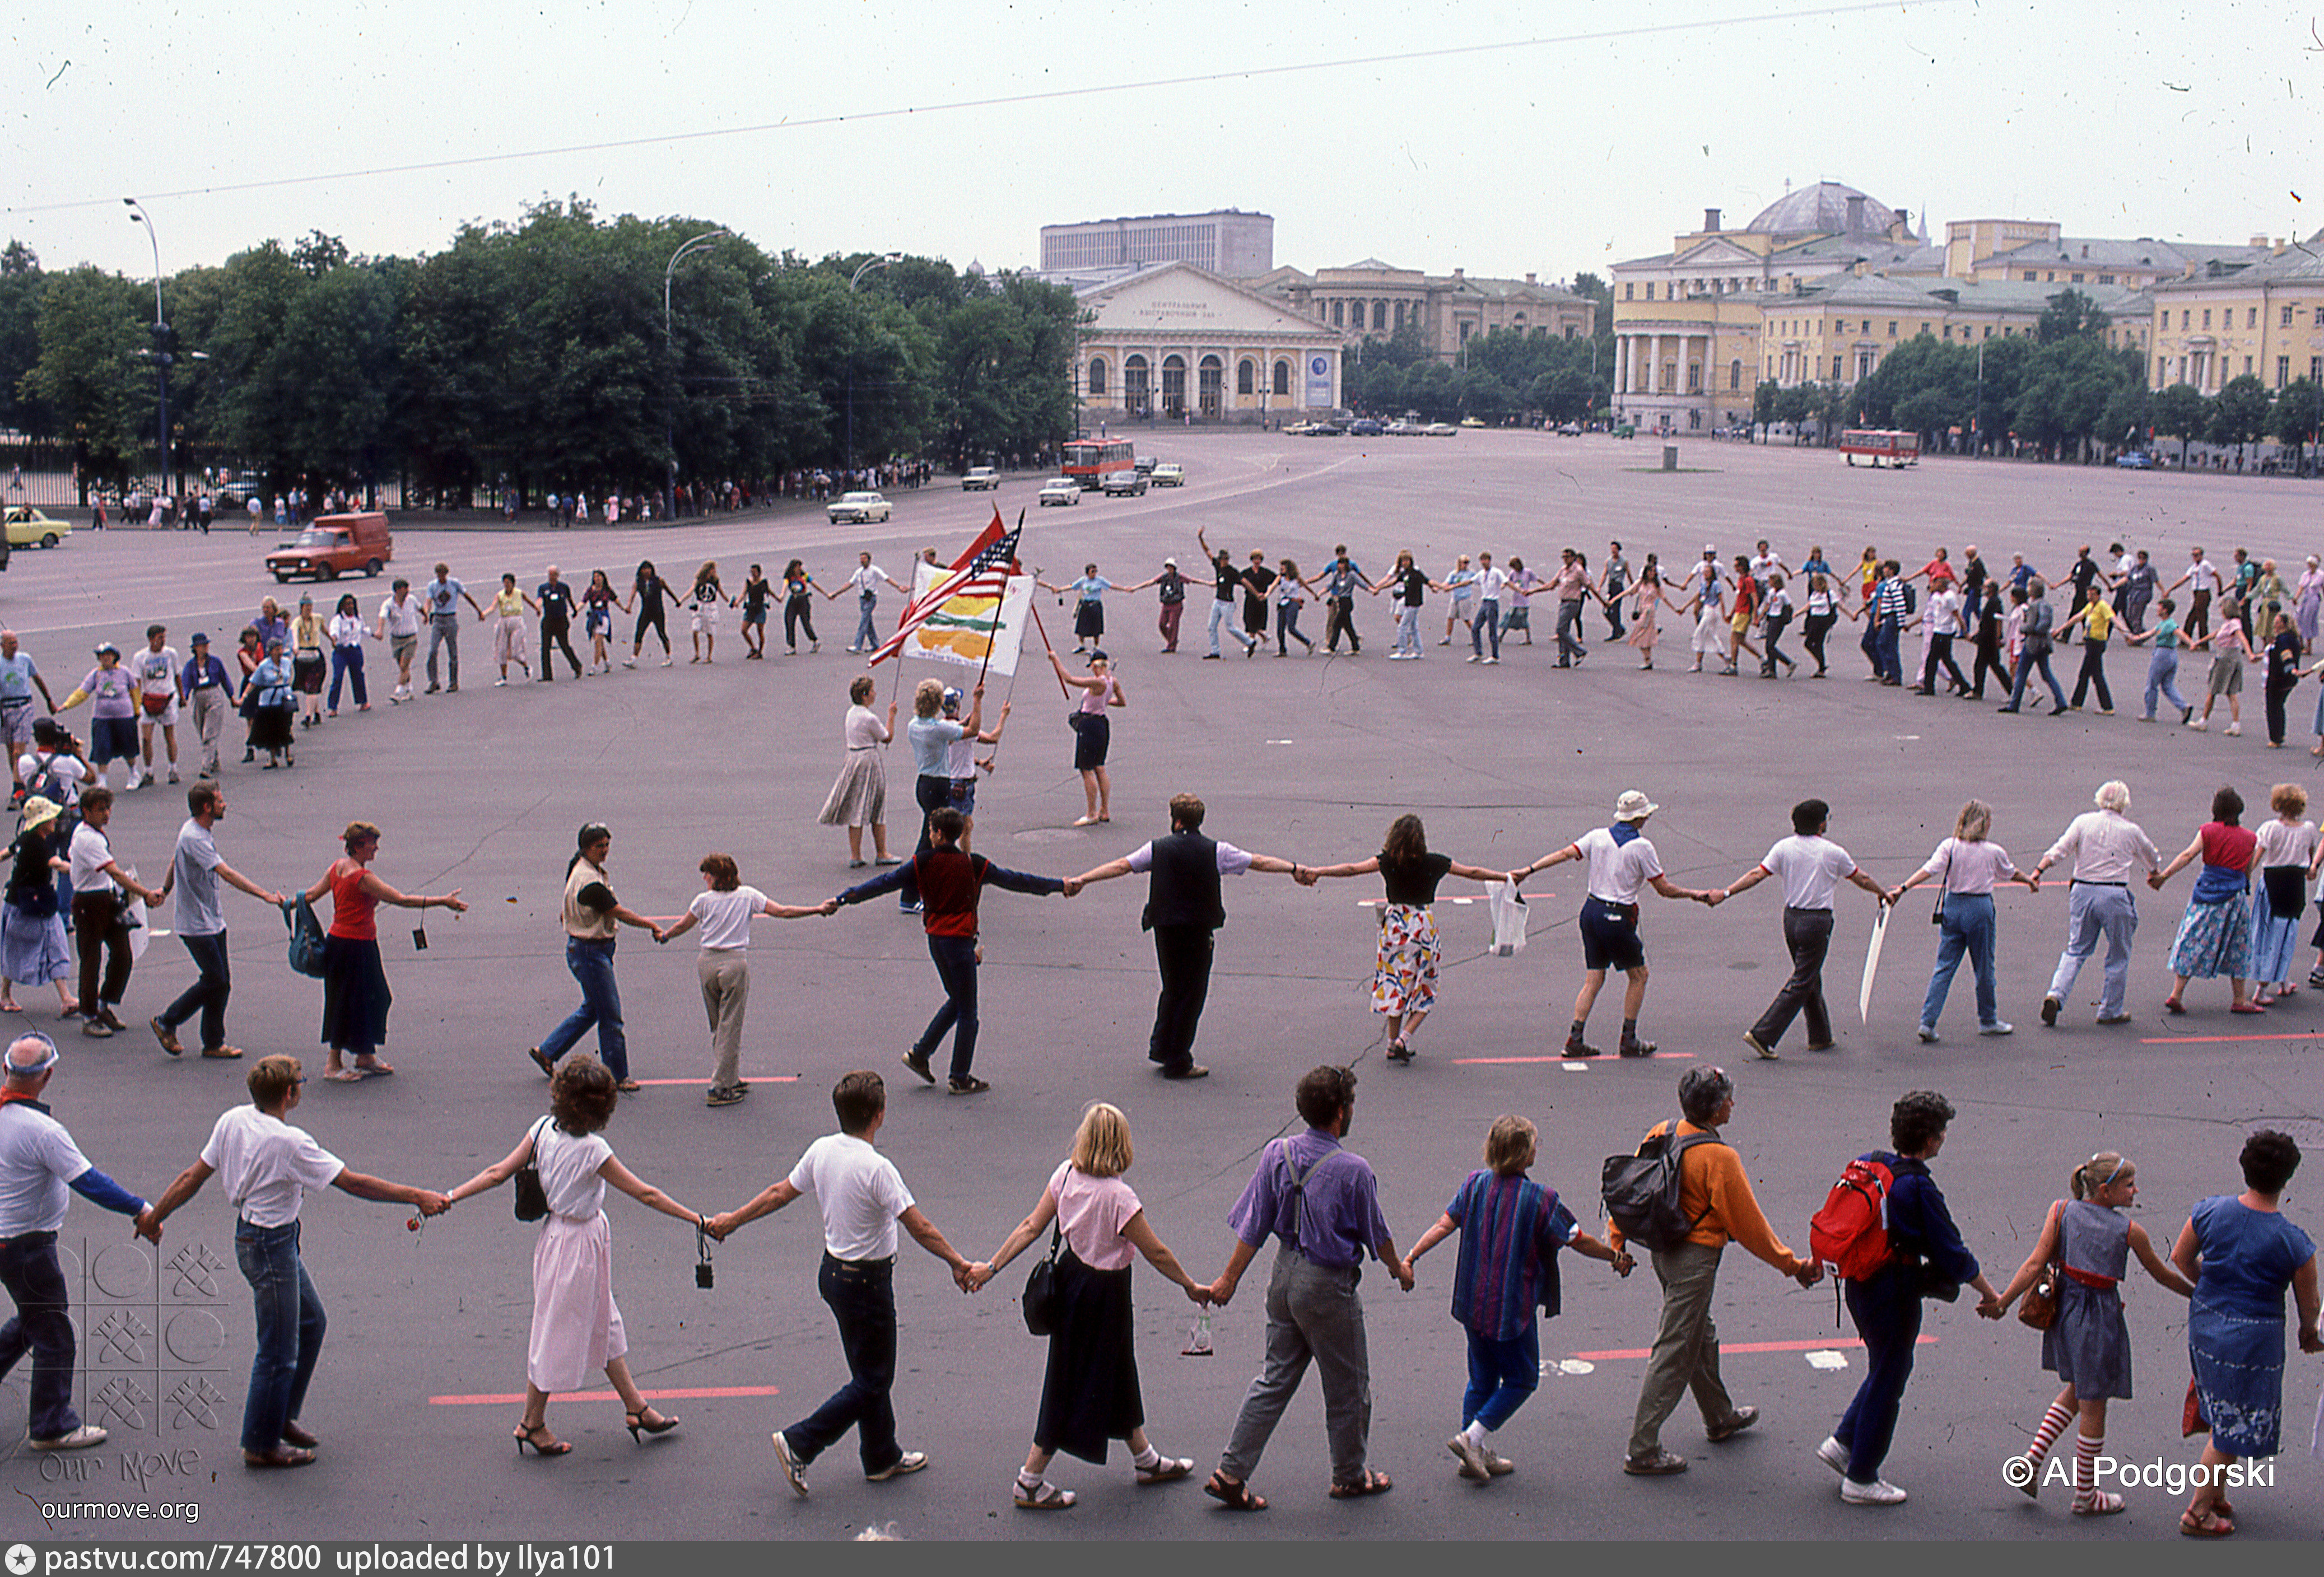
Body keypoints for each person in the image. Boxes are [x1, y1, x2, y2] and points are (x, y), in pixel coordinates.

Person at [145, 1055, 450, 1468]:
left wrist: (155, 1216)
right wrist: (416, 1195)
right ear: (289, 1094)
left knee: (310, 1323)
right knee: (277, 1349)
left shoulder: (233, 1120)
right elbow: (353, 1182)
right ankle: (260, 1442)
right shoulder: (290, 1143)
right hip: (271, 1246)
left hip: (259, 1239)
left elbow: (192, 1177)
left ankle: (281, 1414)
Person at [707, 1070, 979, 1496]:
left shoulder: (822, 1151)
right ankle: (801, 1442)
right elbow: (920, 1227)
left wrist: (732, 1221)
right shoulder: (877, 1169)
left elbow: (779, 1193)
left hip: (833, 1276)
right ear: (879, 1116)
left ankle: (881, 1456)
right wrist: (957, 1262)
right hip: (868, 1284)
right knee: (874, 1379)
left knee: (867, 1371)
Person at [444, 1057, 707, 1454]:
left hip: (560, 1237)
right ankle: (531, 1423)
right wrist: (697, 1219)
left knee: (603, 1321)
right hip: (580, 1243)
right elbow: (645, 1193)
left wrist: (449, 1196)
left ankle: (636, 1407)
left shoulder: (542, 1129)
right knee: (557, 1331)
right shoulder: (593, 1150)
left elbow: (498, 1172)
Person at [966, 1102, 1209, 1509]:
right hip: (1105, 1293)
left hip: (1071, 1280)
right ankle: (1029, 1479)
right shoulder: (1119, 1197)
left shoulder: (1064, 1175)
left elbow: (1031, 1226)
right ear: (1121, 1145)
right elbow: (1157, 1252)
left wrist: (991, 1267)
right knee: (1073, 1379)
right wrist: (1189, 1285)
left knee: (1115, 1369)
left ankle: (1146, 1459)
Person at [1202, 1065, 1409, 1509]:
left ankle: (1230, 1472)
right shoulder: (1353, 1170)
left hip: (1284, 1274)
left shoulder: (1276, 1154)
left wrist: (1227, 1280)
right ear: (1339, 1112)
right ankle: (1350, 1475)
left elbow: (1253, 1226)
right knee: (1348, 1388)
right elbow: (1378, 1235)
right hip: (1325, 1286)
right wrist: (1399, 1270)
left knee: (1274, 1378)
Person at [1609, 1066, 1821, 1476]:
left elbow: (1632, 1188)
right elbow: (1749, 1226)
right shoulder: (1719, 1157)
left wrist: (1617, 1241)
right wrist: (1792, 1266)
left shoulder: (1662, 1131)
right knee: (1675, 1347)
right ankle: (1642, 1448)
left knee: (1698, 1335)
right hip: (1695, 1260)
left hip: (1663, 1252)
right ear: (1713, 1107)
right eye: (1727, 1099)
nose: (1732, 1104)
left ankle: (1719, 1417)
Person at [1404, 1114, 1631, 1483]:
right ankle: (1471, 1438)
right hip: (1511, 1309)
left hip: (1471, 1303)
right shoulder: (1541, 1199)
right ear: (1524, 1154)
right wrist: (1614, 1257)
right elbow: (1577, 1240)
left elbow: (1444, 1225)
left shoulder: (1474, 1185)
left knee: (1481, 1379)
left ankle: (1472, 1455)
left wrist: (1412, 1257)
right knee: (1522, 1378)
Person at [1814, 1093, 2003, 1505]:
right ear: (1932, 1139)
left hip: (1858, 1283)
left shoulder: (1873, 1162)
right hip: (1893, 1290)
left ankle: (1844, 1441)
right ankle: (1861, 1477)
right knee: (1891, 1375)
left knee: (1882, 1366)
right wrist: (1991, 1295)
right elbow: (1952, 1253)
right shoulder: (1918, 1187)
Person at [1994, 1151, 2195, 1516]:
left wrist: (2003, 1301)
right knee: (2094, 1403)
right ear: (2105, 1191)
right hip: (2098, 1319)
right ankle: (2085, 1494)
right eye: (2129, 1185)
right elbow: (2161, 1274)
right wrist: (2196, 1294)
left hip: (2065, 1313)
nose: (2136, 1191)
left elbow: (2035, 1262)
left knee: (2078, 1390)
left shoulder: (2060, 1212)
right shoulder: (2129, 1231)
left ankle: (2031, 1460)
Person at [831, 807, 1072, 1096]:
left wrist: (846, 897)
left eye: (931, 831)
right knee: (968, 1010)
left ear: (938, 834)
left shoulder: (922, 863)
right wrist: (1059, 886)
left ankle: (921, 1053)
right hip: (960, 942)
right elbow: (1018, 881)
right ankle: (959, 1076)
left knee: (958, 1001)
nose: (929, 835)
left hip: (936, 940)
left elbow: (884, 884)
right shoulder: (974, 864)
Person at [0, 1032, 159, 1453]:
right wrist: (141, 1209)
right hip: (26, 1245)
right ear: (48, 1075)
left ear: (6, 1070)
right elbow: (89, 1181)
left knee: (32, 1321)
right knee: (53, 1331)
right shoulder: (43, 1131)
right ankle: (51, 1425)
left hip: (7, 1242)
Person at [1071, 793, 1301, 1081]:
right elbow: (1260, 862)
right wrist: (1294, 869)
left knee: (1172, 986)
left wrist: (1083, 879)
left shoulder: (1158, 848)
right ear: (1199, 821)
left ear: (1176, 819)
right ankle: (1179, 1060)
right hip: (1198, 929)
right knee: (1193, 992)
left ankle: (1162, 1047)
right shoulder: (1216, 850)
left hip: (1165, 927)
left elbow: (1121, 866)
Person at [2171, 1130, 2321, 1538]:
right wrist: (2308, 1334)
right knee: (2232, 1425)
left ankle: (2213, 1492)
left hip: (2205, 1326)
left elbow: (2180, 1257)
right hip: (2254, 1341)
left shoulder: (2208, 1211)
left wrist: (2209, 1288)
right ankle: (2197, 1511)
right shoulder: (2293, 1243)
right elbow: (2310, 1306)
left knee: (2220, 1408)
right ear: (2287, 1177)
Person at [1513, 789, 1720, 1059]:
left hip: (1591, 912)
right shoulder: (1642, 848)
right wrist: (1697, 895)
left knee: (1594, 978)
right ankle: (1629, 1039)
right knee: (1639, 976)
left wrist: (1528, 870)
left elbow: (1564, 854)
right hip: (1617, 917)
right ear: (1642, 817)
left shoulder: (1597, 836)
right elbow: (1664, 889)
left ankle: (1575, 1038)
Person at [1300, 814, 1507, 1060]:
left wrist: (1319, 871)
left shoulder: (1387, 862)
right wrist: (1506, 877)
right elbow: (1473, 872)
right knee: (1427, 983)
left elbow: (1352, 869)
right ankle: (1404, 1038)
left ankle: (1391, 1042)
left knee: (1395, 980)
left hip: (1395, 927)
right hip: (1422, 926)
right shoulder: (1435, 863)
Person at [651, 854, 826, 1107]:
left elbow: (682, 926)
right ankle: (720, 1086)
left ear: (717, 878)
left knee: (718, 1024)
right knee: (730, 1024)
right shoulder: (747, 896)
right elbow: (783, 911)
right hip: (734, 963)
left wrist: (665, 936)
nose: (704, 879)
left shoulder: (703, 901)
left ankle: (729, 1076)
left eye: (707, 874)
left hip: (707, 962)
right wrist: (817, 909)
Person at [1719, 797, 1887, 1059]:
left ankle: (1820, 1036)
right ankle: (1764, 1034)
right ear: (1821, 825)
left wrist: (1727, 892)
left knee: (1808, 974)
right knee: (1803, 979)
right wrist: (1881, 892)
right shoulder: (1832, 852)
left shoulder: (1784, 848)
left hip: (1792, 919)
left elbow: (1756, 875)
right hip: (1817, 921)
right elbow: (1861, 878)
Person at [305, 821, 466, 1081]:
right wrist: (443, 902)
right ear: (360, 846)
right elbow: (400, 899)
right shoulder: (362, 878)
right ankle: (333, 1065)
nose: (377, 848)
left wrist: (286, 903)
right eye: (373, 844)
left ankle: (365, 1054)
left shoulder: (337, 867)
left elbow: (312, 894)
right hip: (354, 946)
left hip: (349, 944)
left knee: (371, 996)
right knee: (349, 1000)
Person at [150, 783, 283, 1061]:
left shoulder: (194, 831)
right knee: (215, 979)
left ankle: (213, 1041)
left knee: (221, 982)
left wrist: (165, 889)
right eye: (221, 802)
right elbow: (227, 873)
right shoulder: (195, 838)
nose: (226, 805)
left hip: (210, 920)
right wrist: (264, 895)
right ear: (207, 808)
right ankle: (168, 1020)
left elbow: (175, 862)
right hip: (196, 924)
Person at [1886, 799, 2037, 1041]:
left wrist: (1902, 888)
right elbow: (2010, 873)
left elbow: (1929, 869)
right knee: (1984, 966)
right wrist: (2029, 880)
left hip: (1953, 907)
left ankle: (1928, 1021)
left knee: (1944, 966)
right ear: (1984, 824)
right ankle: (1988, 1019)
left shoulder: (1950, 846)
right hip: (1980, 908)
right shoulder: (1993, 851)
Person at [2028, 781, 2163, 1028]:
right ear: (2125, 804)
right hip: (2114, 893)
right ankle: (2110, 1009)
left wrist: (2039, 869)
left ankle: (2056, 994)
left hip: (2082, 890)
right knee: (2118, 953)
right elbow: (2151, 856)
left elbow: (2060, 849)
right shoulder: (2131, 830)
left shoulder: (2083, 822)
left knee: (2076, 948)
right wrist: (2154, 871)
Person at [529, 824, 653, 1093]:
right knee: (611, 1015)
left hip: (585, 949)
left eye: (607, 845)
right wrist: (651, 926)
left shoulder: (579, 868)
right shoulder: (592, 884)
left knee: (593, 1008)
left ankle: (548, 1051)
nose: (605, 851)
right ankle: (618, 1075)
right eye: (600, 847)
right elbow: (620, 913)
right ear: (587, 848)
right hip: (591, 953)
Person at [65, 787, 166, 1039]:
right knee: (91, 960)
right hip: (89, 902)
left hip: (106, 898)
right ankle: (90, 1016)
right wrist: (146, 894)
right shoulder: (88, 838)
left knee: (123, 954)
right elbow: (115, 872)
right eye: (101, 810)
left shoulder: (92, 833)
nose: (107, 814)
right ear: (86, 812)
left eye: (108, 809)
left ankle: (103, 1004)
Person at [2155, 785, 2264, 1015]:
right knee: (2240, 945)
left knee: (2194, 938)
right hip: (2233, 898)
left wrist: (2164, 876)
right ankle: (2240, 998)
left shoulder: (2208, 831)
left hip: (2207, 894)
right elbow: (2247, 871)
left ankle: (2177, 993)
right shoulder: (2250, 838)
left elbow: (2188, 855)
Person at [898, 678, 980, 913]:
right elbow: (971, 731)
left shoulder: (915, 725)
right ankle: (910, 894)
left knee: (931, 837)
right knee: (928, 841)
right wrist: (977, 702)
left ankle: (925, 888)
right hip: (939, 785)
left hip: (923, 783)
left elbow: (951, 731)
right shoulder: (938, 729)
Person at [1, 799, 76, 1018]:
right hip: (32, 905)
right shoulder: (39, 844)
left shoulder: (25, 839)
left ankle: (65, 998)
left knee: (28, 946)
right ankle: (6, 994)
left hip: (23, 902)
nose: (55, 821)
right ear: (42, 822)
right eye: (51, 818)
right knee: (45, 946)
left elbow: (7, 852)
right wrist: (84, 870)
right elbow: (57, 864)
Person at [2245, 783, 2318, 1005]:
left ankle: (2267, 984)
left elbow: (2257, 856)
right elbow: (2309, 855)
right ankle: (2278, 980)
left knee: (2267, 934)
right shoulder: (2308, 829)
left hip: (2272, 883)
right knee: (2286, 934)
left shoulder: (2270, 828)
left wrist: (2245, 876)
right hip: (2294, 885)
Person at [818, 676, 901, 869]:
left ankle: (856, 855)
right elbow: (886, 737)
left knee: (856, 806)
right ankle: (882, 852)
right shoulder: (869, 717)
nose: (875, 694)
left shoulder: (852, 713)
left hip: (853, 758)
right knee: (877, 806)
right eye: (872, 691)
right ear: (865, 695)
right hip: (868, 760)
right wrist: (891, 716)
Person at [1049, 647, 1124, 827]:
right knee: (1100, 767)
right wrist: (1105, 702)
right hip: (1102, 724)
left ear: (1097, 666)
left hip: (1089, 726)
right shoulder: (1113, 681)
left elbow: (1070, 680)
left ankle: (1091, 813)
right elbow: (1122, 701)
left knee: (1087, 769)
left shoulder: (1097, 682)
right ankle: (1104, 810)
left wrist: (1055, 659)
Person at [55, 642, 138, 791]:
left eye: (108, 655)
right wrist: (67, 705)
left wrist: (137, 710)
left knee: (128, 747)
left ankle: (133, 773)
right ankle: (102, 780)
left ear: (114, 656)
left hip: (124, 716)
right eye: (102, 656)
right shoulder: (96, 674)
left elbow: (135, 691)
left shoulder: (125, 672)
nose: (105, 658)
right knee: (102, 747)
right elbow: (82, 692)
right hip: (102, 718)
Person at [0, 631, 60, 801]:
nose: (14, 646)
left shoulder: (25, 659)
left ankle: (18, 790)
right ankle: (20, 782)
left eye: (15, 642)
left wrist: (49, 700)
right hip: (5, 708)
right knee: (11, 750)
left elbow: (37, 679)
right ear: (2, 645)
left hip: (24, 707)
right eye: (10, 643)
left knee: (18, 752)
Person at [2187, 594, 2256, 734]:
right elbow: (2215, 634)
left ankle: (2204, 721)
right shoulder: (2228, 624)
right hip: (2233, 657)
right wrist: (2199, 643)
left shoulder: (2234, 624)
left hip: (2225, 657)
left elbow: (2241, 637)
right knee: (2232, 692)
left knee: (2213, 690)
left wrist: (2249, 653)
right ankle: (2235, 725)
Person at [1996, 578, 2067, 715]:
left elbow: (2030, 626)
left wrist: (2023, 629)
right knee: (2047, 674)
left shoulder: (2033, 606)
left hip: (2032, 644)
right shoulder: (2046, 606)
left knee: (2021, 673)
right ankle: (2061, 701)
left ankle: (2014, 704)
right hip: (2044, 644)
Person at [2125, 596, 2193, 724]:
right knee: (2167, 685)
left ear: (2165, 610)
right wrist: (2135, 638)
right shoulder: (2163, 624)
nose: (2157, 609)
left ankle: (2150, 713)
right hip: (2172, 655)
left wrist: (2190, 643)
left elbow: (2179, 633)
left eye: (2160, 607)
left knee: (2152, 684)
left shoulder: (2169, 624)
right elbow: (2151, 633)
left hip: (2162, 654)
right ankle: (2184, 707)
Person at [129, 624, 183, 786]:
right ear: (151, 640)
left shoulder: (171, 654)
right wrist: (137, 704)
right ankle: (149, 771)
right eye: (160, 638)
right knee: (146, 738)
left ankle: (173, 769)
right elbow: (137, 682)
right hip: (149, 700)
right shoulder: (141, 657)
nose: (163, 641)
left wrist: (182, 696)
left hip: (168, 697)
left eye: (164, 637)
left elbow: (177, 675)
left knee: (170, 736)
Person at [422, 563, 483, 693]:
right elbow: (429, 601)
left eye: (443, 575)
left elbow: (467, 596)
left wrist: (478, 610)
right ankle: (434, 682)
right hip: (438, 620)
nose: (441, 578)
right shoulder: (433, 586)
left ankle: (453, 682)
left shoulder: (454, 584)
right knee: (433, 651)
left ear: (446, 574)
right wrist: (426, 613)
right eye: (439, 575)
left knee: (453, 652)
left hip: (450, 619)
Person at [236, 638, 296, 768]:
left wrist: (289, 689)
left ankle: (288, 754)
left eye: (281, 649)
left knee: (286, 726)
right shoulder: (264, 666)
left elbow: (290, 676)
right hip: (269, 701)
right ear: (271, 651)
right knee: (271, 729)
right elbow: (253, 682)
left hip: (284, 699)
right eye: (277, 649)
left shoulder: (286, 663)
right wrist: (244, 697)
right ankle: (272, 758)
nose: (280, 652)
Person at [1039, 563, 1116, 655]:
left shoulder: (1100, 580)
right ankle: (1082, 646)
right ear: (1088, 573)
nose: (1095, 573)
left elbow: (1111, 586)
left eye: (1096, 571)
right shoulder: (1083, 581)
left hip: (1096, 605)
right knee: (1081, 627)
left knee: (1096, 628)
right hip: (1086, 605)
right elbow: (1072, 586)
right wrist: (1060, 590)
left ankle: (1096, 647)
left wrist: (1126, 589)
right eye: (1093, 571)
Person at [1126, 556, 1195, 653]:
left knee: (1173, 625)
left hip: (1176, 604)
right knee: (1162, 624)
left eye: (1171, 567)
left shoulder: (1180, 577)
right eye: (1168, 567)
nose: (1169, 569)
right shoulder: (1164, 577)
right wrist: (1135, 588)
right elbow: (1151, 582)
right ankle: (1172, 640)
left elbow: (1192, 580)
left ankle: (1171, 646)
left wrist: (1209, 583)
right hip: (1166, 604)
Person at [842, 552, 905, 656]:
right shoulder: (859, 572)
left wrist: (899, 587)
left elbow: (887, 579)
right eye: (861, 559)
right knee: (868, 622)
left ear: (869, 560)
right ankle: (875, 644)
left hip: (871, 598)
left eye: (864, 559)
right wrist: (836, 593)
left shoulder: (875, 570)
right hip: (863, 598)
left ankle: (858, 646)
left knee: (864, 621)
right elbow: (850, 584)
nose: (862, 561)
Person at [1379, 549, 1434, 660]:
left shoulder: (1416, 573)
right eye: (1403, 561)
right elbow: (1393, 582)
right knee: (1414, 628)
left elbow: (1427, 581)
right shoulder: (1404, 574)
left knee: (1402, 627)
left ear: (1411, 561)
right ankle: (1419, 651)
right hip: (1408, 603)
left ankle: (1402, 651)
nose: (1404, 563)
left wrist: (1437, 587)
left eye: (1406, 561)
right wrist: (1379, 588)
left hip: (1414, 603)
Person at [482, 573, 535, 686]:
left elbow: (529, 601)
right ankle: (503, 677)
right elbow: (493, 607)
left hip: (516, 620)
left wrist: (537, 609)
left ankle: (526, 667)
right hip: (504, 620)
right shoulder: (500, 595)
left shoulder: (519, 593)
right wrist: (484, 614)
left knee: (516, 651)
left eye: (508, 583)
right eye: (505, 583)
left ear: (513, 584)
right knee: (501, 649)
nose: (506, 586)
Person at [374, 578, 422, 702]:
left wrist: (426, 616)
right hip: (396, 639)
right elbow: (382, 616)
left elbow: (420, 608)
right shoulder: (388, 604)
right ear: (399, 590)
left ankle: (398, 692)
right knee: (403, 667)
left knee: (404, 665)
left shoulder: (412, 600)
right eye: (406, 589)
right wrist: (380, 630)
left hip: (411, 637)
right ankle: (410, 689)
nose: (408, 591)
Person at [2262, 610, 2304, 746]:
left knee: (2273, 707)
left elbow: (2286, 655)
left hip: (2278, 679)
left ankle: (2276, 738)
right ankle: (2280, 734)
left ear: (2284, 625)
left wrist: (2291, 669)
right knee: (2279, 706)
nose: (2275, 623)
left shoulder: (2283, 640)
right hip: (2286, 680)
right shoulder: (2291, 638)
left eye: (2278, 622)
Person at [323, 595, 370, 716]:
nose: (350, 606)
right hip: (341, 651)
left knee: (358, 675)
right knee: (338, 677)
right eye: (347, 604)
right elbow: (334, 632)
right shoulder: (338, 619)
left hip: (354, 650)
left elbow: (363, 630)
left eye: (352, 604)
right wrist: (334, 639)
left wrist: (374, 634)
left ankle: (363, 702)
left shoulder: (358, 618)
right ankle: (333, 707)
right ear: (342, 606)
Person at [625, 559, 675, 667]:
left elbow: (668, 590)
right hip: (646, 612)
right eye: (644, 569)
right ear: (641, 571)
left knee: (662, 633)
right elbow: (632, 595)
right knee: (639, 633)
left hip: (658, 611)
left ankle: (669, 656)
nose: (647, 571)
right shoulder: (638, 583)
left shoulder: (658, 580)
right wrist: (629, 606)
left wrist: (677, 601)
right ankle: (634, 658)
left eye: (649, 569)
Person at [535, 566, 582, 679]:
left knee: (564, 645)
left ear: (557, 576)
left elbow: (569, 600)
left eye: (553, 575)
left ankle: (577, 666)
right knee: (545, 647)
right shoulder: (543, 588)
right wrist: (538, 608)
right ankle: (547, 675)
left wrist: (575, 611)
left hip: (561, 620)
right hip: (549, 620)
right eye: (550, 575)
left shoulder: (564, 587)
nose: (551, 577)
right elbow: (540, 599)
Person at [288, 596, 327, 728]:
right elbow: (294, 633)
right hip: (303, 656)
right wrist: (296, 647)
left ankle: (308, 716)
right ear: (301, 608)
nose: (309, 609)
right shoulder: (298, 622)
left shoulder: (318, 618)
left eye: (311, 606)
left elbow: (323, 629)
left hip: (315, 656)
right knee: (308, 686)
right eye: (306, 607)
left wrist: (332, 639)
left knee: (313, 686)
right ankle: (316, 713)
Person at [778, 559, 826, 656]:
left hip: (803, 599)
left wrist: (826, 594)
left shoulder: (805, 576)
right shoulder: (789, 578)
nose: (800, 569)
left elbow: (815, 585)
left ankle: (815, 640)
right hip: (793, 600)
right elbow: (785, 587)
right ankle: (791, 646)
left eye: (800, 567)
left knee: (806, 622)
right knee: (789, 621)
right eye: (798, 567)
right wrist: (781, 596)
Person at [1468, 550, 1509, 664]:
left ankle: (1495, 656)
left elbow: (1506, 581)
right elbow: (1470, 581)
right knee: (1475, 628)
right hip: (1484, 602)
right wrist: (1453, 587)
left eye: (1485, 560)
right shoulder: (1481, 574)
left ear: (1490, 561)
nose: (1483, 562)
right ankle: (1478, 652)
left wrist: (1518, 590)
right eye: (1482, 560)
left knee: (1492, 630)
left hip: (1492, 603)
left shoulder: (1496, 572)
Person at [686, 559, 727, 664]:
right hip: (700, 606)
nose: (715, 571)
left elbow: (722, 593)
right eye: (713, 569)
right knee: (695, 630)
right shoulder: (699, 580)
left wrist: (731, 602)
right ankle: (697, 654)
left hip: (711, 607)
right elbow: (691, 591)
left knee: (710, 633)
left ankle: (709, 656)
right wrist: (681, 600)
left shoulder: (715, 581)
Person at [579, 570, 620, 673]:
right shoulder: (591, 590)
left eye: (599, 576)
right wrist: (576, 610)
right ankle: (607, 662)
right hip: (594, 617)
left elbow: (616, 600)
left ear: (603, 578)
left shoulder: (607, 590)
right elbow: (583, 602)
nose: (597, 579)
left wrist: (624, 608)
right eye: (595, 577)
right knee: (599, 642)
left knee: (598, 640)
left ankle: (595, 666)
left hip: (604, 617)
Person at [1272, 558, 1314, 655]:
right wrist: (1266, 595)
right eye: (1281, 567)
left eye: (1284, 567)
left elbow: (1306, 586)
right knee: (1280, 628)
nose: (1281, 569)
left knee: (1291, 628)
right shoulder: (1280, 578)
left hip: (1293, 603)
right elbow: (1273, 586)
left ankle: (1308, 643)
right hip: (1282, 603)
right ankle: (1282, 650)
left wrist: (1315, 594)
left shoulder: (1297, 579)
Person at [1627, 562, 1665, 670]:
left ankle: (1648, 660)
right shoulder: (1641, 583)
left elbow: (1664, 598)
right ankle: (1647, 659)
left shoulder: (1657, 585)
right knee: (1644, 634)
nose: (1652, 573)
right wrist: (1614, 600)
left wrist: (1676, 609)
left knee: (1640, 633)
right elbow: (1629, 591)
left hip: (1649, 611)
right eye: (1650, 571)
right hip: (1643, 610)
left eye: (1654, 571)